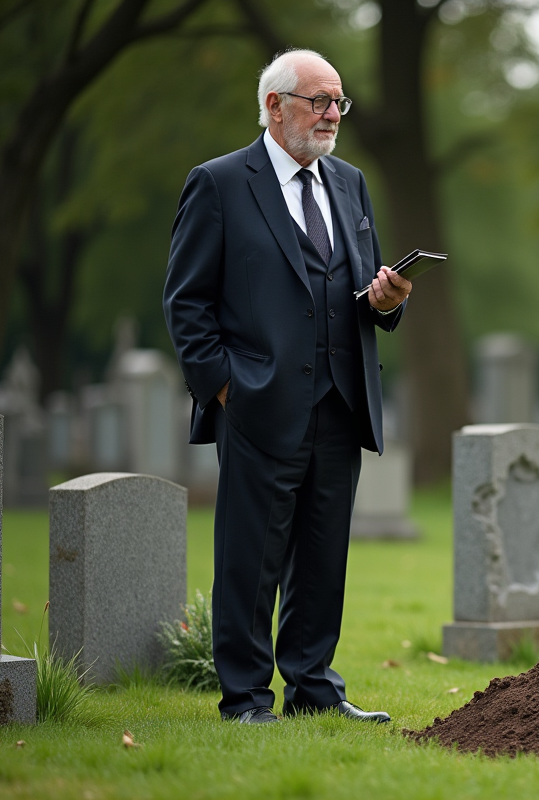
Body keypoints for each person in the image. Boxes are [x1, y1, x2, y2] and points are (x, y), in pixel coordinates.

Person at [163, 49, 410, 724]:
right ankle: (244, 698)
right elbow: (186, 304)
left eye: (339, 103)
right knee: (250, 560)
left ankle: (314, 690)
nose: (333, 115)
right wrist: (224, 391)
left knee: (324, 556)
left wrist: (387, 301)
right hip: (256, 404)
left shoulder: (351, 183)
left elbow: (356, 287)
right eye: (318, 101)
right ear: (274, 106)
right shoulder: (218, 184)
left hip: (340, 399)